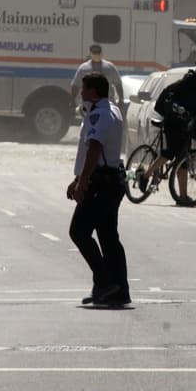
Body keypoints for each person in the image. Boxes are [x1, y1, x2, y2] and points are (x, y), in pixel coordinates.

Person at [66, 72, 129, 308]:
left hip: (101, 183)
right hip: (108, 180)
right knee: (108, 238)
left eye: (84, 88)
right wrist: (77, 179)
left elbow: (94, 150)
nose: (81, 93)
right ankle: (118, 290)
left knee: (79, 231)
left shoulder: (100, 115)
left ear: (94, 91)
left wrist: (82, 183)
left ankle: (105, 282)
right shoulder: (108, 110)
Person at [141, 51, 196, 204]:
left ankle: (182, 197)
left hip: (188, 125)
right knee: (170, 153)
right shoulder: (189, 80)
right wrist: (177, 108)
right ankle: (145, 176)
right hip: (174, 122)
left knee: (184, 160)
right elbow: (170, 94)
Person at [70, 44, 124, 112]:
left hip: (108, 104)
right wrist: (72, 100)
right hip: (89, 104)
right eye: (94, 52)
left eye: (98, 52)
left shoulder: (110, 67)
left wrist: (121, 99)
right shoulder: (83, 68)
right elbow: (75, 85)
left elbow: (118, 84)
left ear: (101, 53)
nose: (96, 54)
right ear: (90, 53)